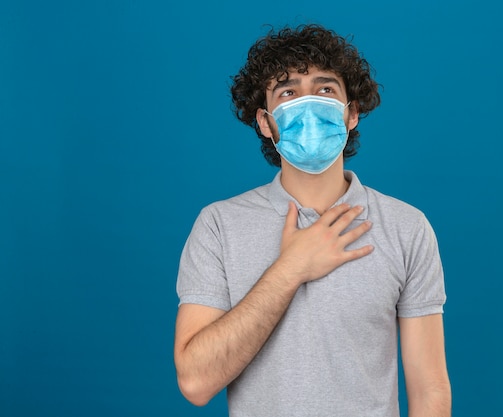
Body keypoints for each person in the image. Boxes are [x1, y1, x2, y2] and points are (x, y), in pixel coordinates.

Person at [174, 23, 451, 417]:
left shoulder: (406, 227)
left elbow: (430, 390)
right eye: (288, 92)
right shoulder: (219, 226)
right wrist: (291, 269)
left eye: (325, 89)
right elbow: (196, 382)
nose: (308, 104)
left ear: (350, 113)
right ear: (266, 122)